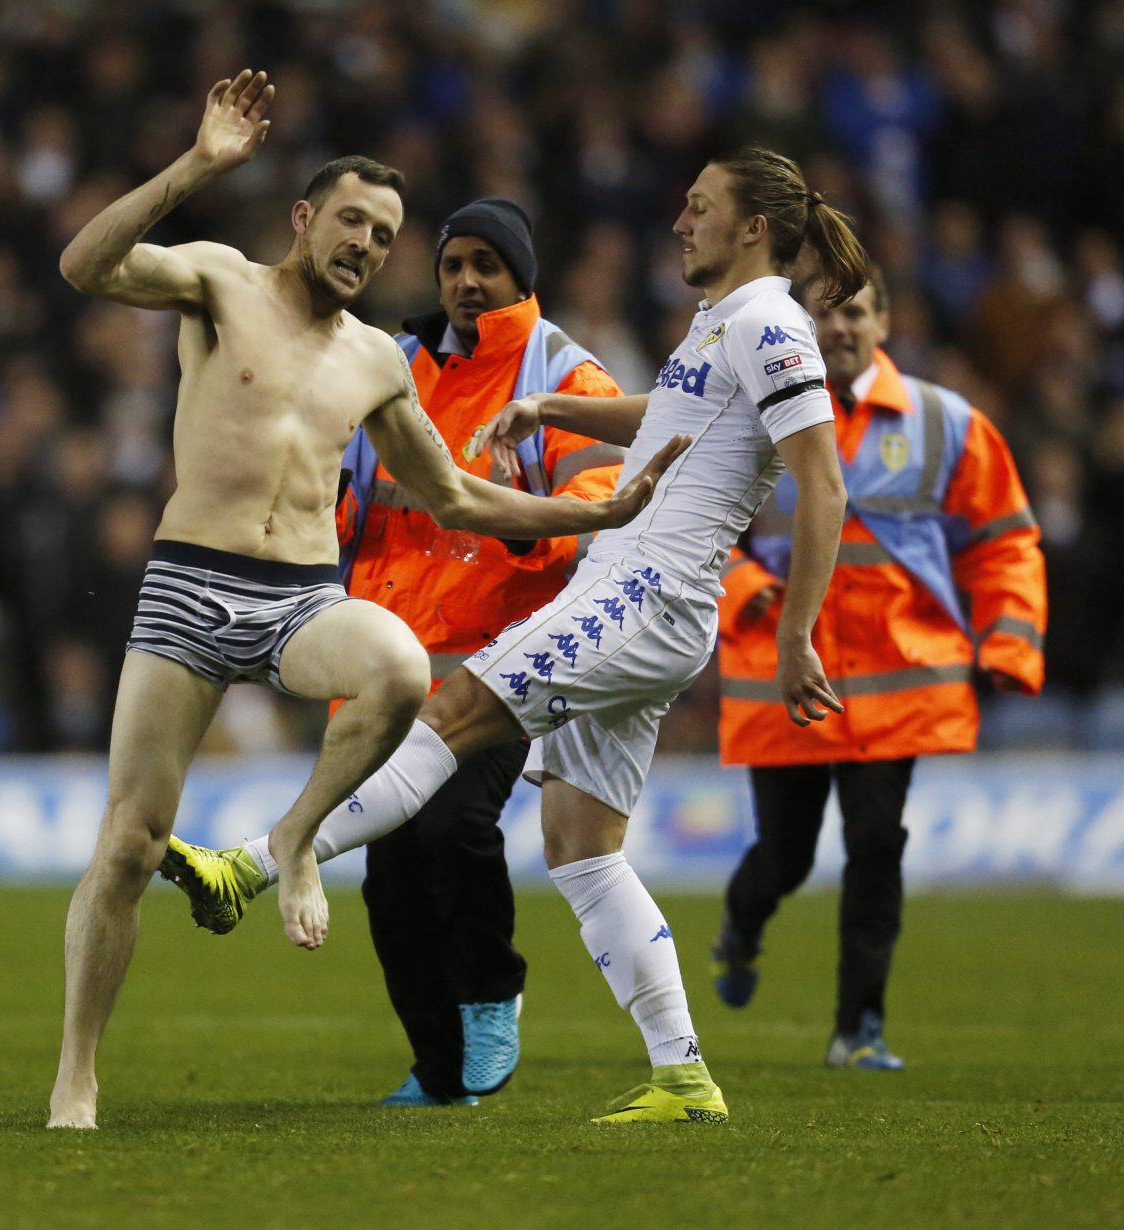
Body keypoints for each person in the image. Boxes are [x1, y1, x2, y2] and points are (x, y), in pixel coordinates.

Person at [170, 146, 867, 1124]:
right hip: (643, 599)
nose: (677, 221)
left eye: (697, 205)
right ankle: (682, 1076)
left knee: (446, 722)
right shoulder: (721, 323)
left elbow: (821, 479)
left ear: (752, 227)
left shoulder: (766, 322)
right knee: (579, 849)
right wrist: (553, 409)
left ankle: (252, 862)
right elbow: (667, 417)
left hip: (644, 591)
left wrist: (797, 637)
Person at [44, 70, 685, 1130]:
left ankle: (290, 841)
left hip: (298, 596)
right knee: (127, 845)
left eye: (383, 234)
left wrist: (596, 519)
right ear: (304, 219)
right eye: (349, 221)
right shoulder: (219, 281)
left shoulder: (375, 364)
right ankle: (76, 1074)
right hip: (189, 587)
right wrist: (198, 165)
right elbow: (83, 265)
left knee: (392, 663)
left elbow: (458, 497)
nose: (365, 244)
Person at [166, 198, 631, 1109]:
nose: (464, 281)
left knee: (451, 827)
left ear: (520, 278)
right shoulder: (394, 362)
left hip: (498, 662)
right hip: (389, 658)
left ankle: (492, 995)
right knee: (390, 878)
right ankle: (438, 1069)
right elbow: (343, 497)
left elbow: (602, 498)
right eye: (453, 263)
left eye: (485, 266)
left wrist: (526, 531)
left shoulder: (561, 372)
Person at [710, 267, 1046, 1069]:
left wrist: (1009, 642)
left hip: (897, 686)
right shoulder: (749, 418)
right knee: (784, 859)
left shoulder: (945, 423)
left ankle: (857, 1028)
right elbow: (693, 527)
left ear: (885, 322)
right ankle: (742, 927)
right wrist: (752, 594)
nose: (841, 329)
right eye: (823, 316)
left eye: (856, 312)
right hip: (786, 682)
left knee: (875, 846)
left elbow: (1005, 539)